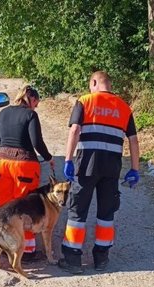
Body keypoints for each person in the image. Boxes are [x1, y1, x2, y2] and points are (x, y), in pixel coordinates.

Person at [60, 71, 140, 274]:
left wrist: (68, 159)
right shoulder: (124, 107)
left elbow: (74, 130)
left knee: (77, 211)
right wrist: (134, 169)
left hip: (86, 164)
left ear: (94, 82)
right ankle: (101, 258)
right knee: (106, 212)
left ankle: (73, 259)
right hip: (111, 168)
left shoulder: (84, 101)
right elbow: (133, 140)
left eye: (90, 84)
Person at [0, 85, 55, 262]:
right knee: (25, 208)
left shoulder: (3, 113)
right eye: (36, 103)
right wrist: (48, 157)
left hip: (0, 163)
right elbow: (37, 141)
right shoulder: (30, 115)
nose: (36, 107)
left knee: (4, 208)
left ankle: (5, 248)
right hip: (23, 165)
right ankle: (27, 251)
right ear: (32, 99)